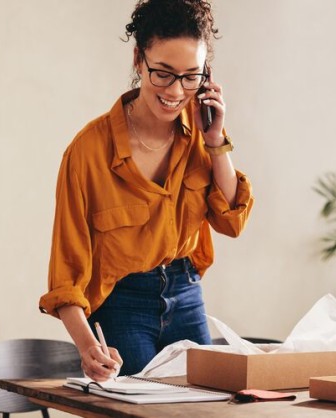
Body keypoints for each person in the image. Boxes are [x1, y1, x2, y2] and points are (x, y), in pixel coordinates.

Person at [39, 0, 254, 381]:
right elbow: (66, 275)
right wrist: (89, 347)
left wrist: (216, 138)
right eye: (163, 74)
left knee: (206, 407)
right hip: (123, 304)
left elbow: (232, 221)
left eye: (192, 76)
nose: (176, 91)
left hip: (186, 292)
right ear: (139, 59)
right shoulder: (88, 152)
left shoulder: (201, 134)